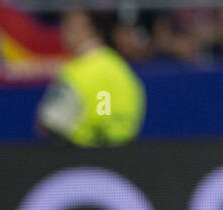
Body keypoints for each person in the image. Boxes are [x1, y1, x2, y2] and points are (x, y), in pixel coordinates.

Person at [36, 10, 145, 146]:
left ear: (90, 30)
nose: (63, 33)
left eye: (70, 27)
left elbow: (49, 122)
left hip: (80, 155)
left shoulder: (76, 72)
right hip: (123, 153)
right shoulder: (119, 67)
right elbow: (108, 110)